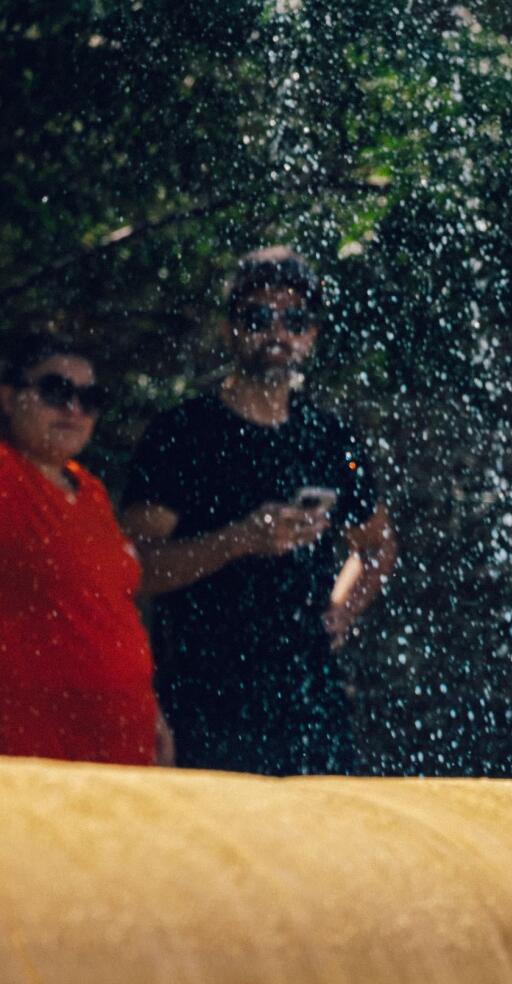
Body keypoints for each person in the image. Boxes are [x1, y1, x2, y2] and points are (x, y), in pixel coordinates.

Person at [120, 248, 398, 775]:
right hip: (202, 701)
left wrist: (343, 608)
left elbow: (377, 544)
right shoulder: (183, 434)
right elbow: (131, 568)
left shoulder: (330, 439)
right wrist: (239, 539)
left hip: (311, 705)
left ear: (311, 335)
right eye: (258, 316)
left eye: (295, 319)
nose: (277, 332)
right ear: (229, 329)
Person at [0, 333, 160, 765]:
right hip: (34, 747)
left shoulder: (90, 489)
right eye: (55, 391)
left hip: (124, 736)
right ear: (9, 398)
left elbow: (109, 607)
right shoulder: (6, 476)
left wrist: (153, 711)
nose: (74, 409)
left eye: (90, 399)